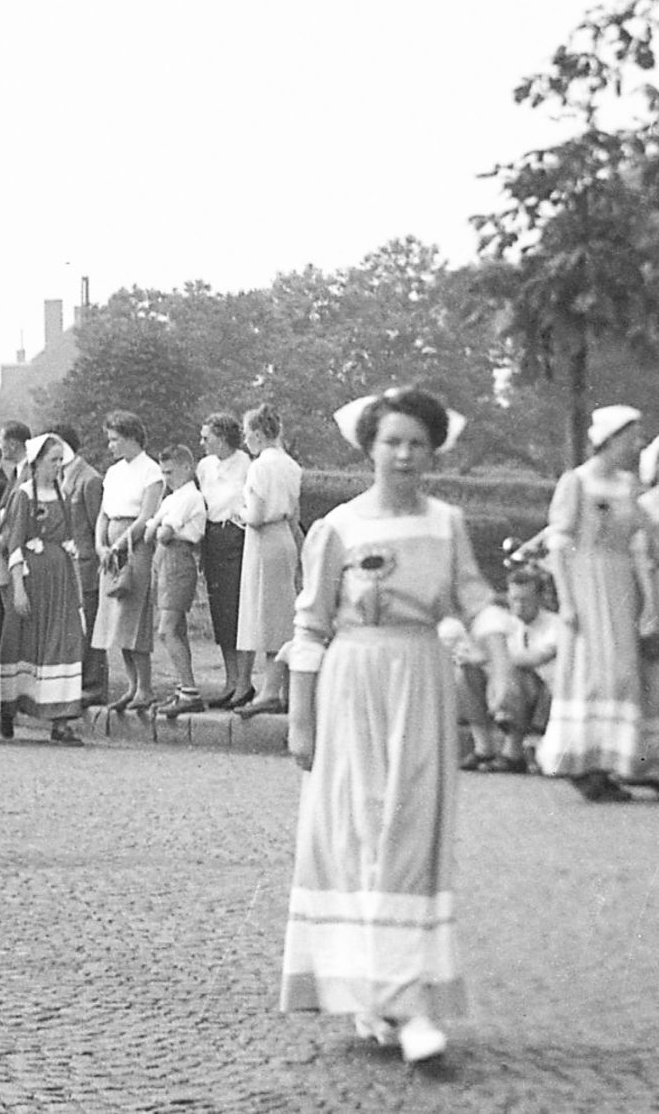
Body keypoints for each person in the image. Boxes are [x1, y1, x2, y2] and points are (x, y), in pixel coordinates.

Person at [280, 387, 504, 1067]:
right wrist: (300, 718)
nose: (405, 453)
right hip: (354, 683)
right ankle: (372, 996)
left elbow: (477, 598)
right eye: (392, 441)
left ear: (431, 450)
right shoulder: (340, 526)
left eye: (417, 443)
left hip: (422, 680)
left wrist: (500, 662)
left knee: (409, 833)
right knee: (355, 834)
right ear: (369, 448)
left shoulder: (446, 523)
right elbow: (311, 623)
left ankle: (405, 1000)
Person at [536, 404, 656, 800]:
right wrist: (567, 601)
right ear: (609, 439)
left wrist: (649, 600)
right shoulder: (577, 482)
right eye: (630, 437)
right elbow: (559, 542)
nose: (636, 445)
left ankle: (611, 762)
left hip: (619, 584)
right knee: (589, 673)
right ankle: (580, 763)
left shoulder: (628, 486)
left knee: (622, 673)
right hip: (586, 583)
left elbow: (640, 542)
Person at [0, 434, 88, 744]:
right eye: (53, 460)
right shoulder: (23, 495)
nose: (58, 466)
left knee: (63, 641)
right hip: (33, 579)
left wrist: (74, 586)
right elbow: (15, 544)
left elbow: (69, 540)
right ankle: (9, 709)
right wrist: (19, 589)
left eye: (61, 460)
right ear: (36, 463)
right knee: (23, 643)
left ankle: (60, 719)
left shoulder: (62, 493)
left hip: (59, 579)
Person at [235, 405, 305, 717]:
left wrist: (239, 512)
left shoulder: (261, 466)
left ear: (260, 434)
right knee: (280, 613)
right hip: (285, 540)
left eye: (248, 433)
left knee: (268, 617)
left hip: (264, 541)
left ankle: (270, 691)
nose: (245, 440)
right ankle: (287, 691)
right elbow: (296, 516)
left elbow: (257, 515)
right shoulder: (291, 466)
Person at [95, 411, 164, 713]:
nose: (110, 446)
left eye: (115, 440)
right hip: (111, 549)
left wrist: (121, 545)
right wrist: (102, 545)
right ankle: (131, 684)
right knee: (116, 618)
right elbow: (104, 514)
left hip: (135, 548)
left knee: (134, 616)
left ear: (131, 437)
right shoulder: (113, 472)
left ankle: (145, 687)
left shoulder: (151, 471)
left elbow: (146, 515)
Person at [196, 412, 251, 706]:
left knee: (238, 610)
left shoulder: (246, 465)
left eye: (208, 437)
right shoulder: (204, 466)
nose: (202, 442)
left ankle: (244, 682)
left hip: (237, 537)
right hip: (213, 538)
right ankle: (230, 681)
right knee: (221, 612)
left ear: (224, 436)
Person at [150, 445, 208, 716]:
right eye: (163, 472)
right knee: (177, 630)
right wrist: (161, 528)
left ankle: (189, 690)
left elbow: (162, 533)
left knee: (167, 629)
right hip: (165, 560)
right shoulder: (172, 497)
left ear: (187, 467)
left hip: (178, 560)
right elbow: (153, 531)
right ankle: (185, 689)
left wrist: (164, 528)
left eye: (171, 472)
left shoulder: (189, 497)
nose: (166, 478)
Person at [52, 422, 107, 706]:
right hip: (65, 564)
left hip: (86, 563)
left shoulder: (89, 479)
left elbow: (98, 522)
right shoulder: (57, 476)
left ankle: (94, 684)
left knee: (92, 623)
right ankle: (75, 680)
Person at [487, 567, 560, 773]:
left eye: (525, 599)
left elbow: (534, 659)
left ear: (540, 598)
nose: (518, 605)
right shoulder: (505, 624)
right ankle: (484, 748)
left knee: (513, 672)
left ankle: (513, 753)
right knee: (468, 673)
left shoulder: (555, 625)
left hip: (548, 695)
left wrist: (493, 658)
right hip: (519, 692)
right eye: (514, 598)